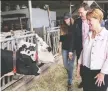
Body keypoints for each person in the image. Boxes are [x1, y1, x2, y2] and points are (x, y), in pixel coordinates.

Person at [77, 8, 108, 91]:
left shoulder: (106, 36)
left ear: (97, 19)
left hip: (99, 73)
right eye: (87, 20)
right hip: (86, 71)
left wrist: (102, 73)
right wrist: (79, 64)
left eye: (89, 20)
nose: (87, 23)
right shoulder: (89, 35)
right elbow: (84, 51)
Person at [69, 3, 90, 88]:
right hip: (80, 49)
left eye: (81, 12)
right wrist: (70, 50)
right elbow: (73, 36)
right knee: (80, 67)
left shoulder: (92, 21)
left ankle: (88, 81)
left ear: (87, 11)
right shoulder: (77, 22)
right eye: (79, 12)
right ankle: (83, 81)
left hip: (91, 50)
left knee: (90, 66)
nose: (79, 14)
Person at [59, 12, 75, 91]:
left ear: (70, 18)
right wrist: (59, 47)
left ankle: (70, 81)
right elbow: (61, 38)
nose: (66, 20)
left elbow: (73, 39)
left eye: (67, 18)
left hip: (72, 49)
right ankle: (71, 72)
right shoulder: (62, 26)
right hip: (64, 48)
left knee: (71, 64)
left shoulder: (74, 26)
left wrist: (71, 51)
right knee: (65, 64)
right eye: (64, 18)